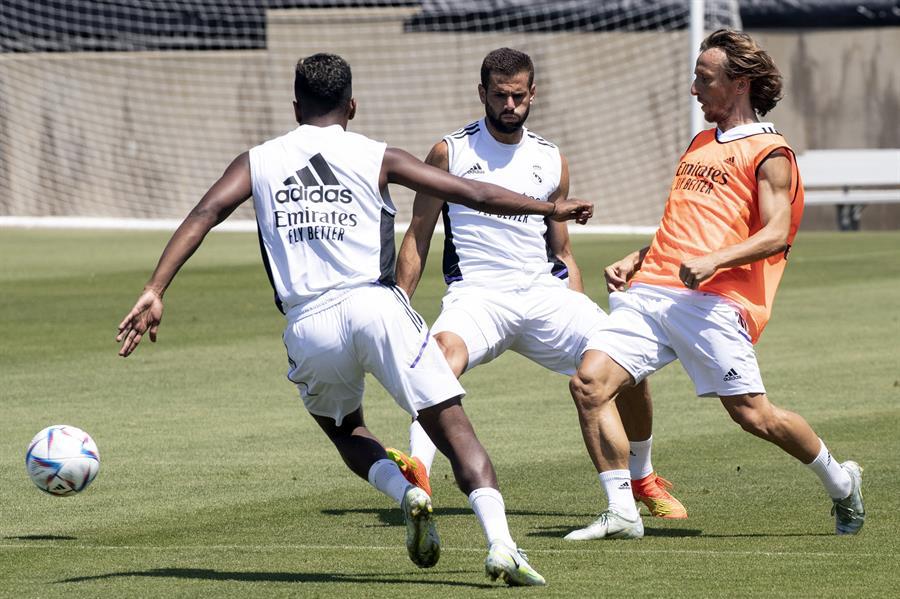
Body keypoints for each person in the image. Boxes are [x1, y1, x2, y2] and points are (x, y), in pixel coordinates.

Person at [116, 53, 594, 585]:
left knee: (345, 429)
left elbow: (204, 214)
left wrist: (155, 289)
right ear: (352, 106)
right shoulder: (378, 155)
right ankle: (501, 544)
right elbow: (475, 192)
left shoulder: (258, 161)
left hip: (309, 322)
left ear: (295, 107)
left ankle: (405, 492)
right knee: (453, 429)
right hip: (376, 308)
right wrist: (549, 209)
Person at [565, 29, 865, 540]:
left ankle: (841, 481)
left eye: (704, 79)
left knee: (754, 415)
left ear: (740, 84)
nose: (694, 89)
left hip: (715, 301)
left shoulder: (771, 151)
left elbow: (776, 232)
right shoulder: (700, 142)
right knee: (589, 385)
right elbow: (687, 223)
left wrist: (715, 261)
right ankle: (622, 510)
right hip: (651, 292)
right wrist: (639, 258)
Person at [386, 47, 686, 528]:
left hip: (544, 294)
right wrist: (400, 304)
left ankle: (643, 478)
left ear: (533, 94)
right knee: (438, 359)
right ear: (482, 93)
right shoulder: (450, 152)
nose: (510, 105)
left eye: (518, 96)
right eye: (500, 95)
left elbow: (562, 250)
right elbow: (418, 234)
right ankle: (419, 470)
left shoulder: (551, 158)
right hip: (478, 295)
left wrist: (577, 306)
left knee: (622, 356)